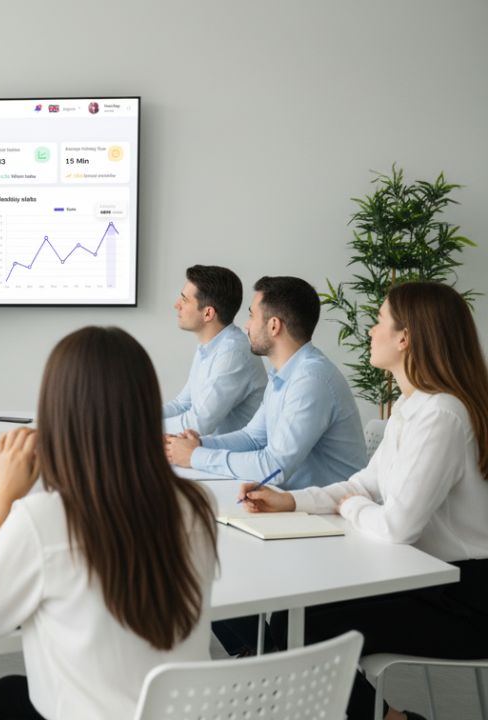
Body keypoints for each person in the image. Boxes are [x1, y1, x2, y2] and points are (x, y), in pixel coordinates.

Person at [235, 282, 488, 720]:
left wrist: (350, 506)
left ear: (405, 338)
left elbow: (396, 526)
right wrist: (288, 501)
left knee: (309, 625)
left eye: (380, 321)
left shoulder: (442, 414)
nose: (371, 331)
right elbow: (365, 484)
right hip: (426, 578)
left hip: (466, 599)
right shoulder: (412, 408)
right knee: (294, 618)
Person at [0, 327, 218, 720]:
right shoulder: (198, 504)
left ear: (57, 414)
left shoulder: (41, 521)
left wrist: (0, 500)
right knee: (7, 696)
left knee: (2, 701)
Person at [166, 275, 368, 490]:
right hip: (296, 504)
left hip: (330, 515)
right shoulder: (285, 373)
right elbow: (252, 438)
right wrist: (199, 445)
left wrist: (196, 456)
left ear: (274, 326)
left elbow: (274, 468)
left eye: (252, 316)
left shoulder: (310, 379)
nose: (246, 325)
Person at [163, 265, 266, 435]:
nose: (176, 305)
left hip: (228, 456)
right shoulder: (209, 346)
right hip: (209, 452)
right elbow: (183, 404)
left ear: (208, 314)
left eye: (184, 300)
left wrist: (142, 426)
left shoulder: (233, 353)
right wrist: (138, 417)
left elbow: (198, 424)